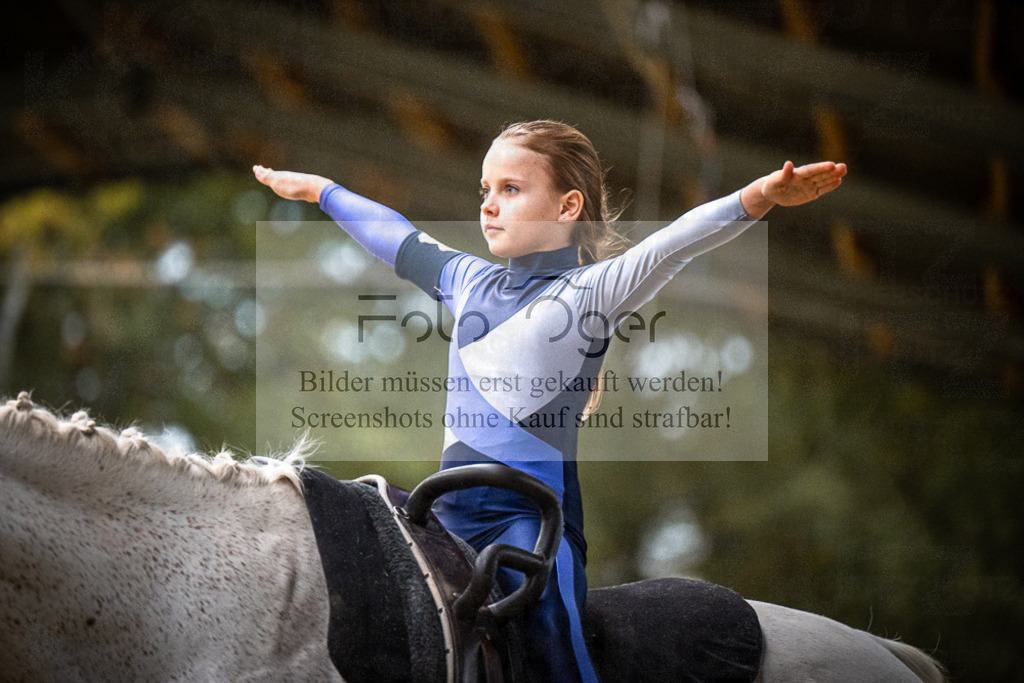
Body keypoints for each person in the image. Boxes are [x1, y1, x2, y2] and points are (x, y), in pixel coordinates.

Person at [254, 120, 846, 682]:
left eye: (511, 189)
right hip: (441, 517)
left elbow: (677, 243)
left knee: (549, 640)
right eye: (485, 189)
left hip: (529, 523)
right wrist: (322, 190)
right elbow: (395, 236)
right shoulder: (467, 280)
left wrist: (761, 195)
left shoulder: (590, 292)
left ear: (568, 206)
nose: (488, 204)